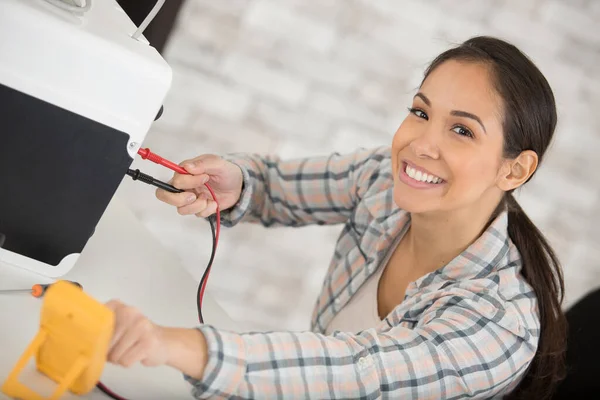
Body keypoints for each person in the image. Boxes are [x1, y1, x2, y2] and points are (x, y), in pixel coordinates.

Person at [104, 36, 567, 399]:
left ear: (515, 169)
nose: (421, 144)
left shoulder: (499, 323)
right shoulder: (384, 184)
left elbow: (357, 374)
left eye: (462, 130)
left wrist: (171, 344)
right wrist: (237, 184)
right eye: (420, 112)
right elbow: (274, 186)